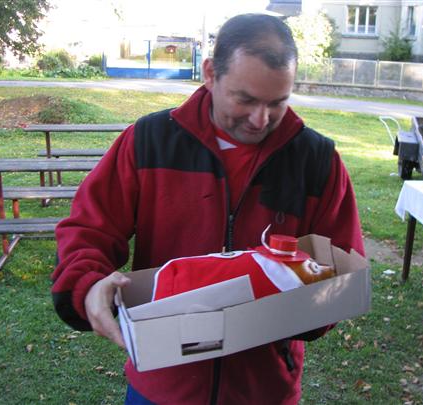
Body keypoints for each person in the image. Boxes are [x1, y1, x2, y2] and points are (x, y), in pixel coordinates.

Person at [51, 13, 365, 405]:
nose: (260, 120)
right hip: (162, 386)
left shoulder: (317, 161)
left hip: (263, 391)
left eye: (277, 103)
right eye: (245, 99)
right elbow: (88, 228)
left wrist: (313, 303)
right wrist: (88, 284)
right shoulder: (150, 141)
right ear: (210, 74)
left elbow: (341, 262)